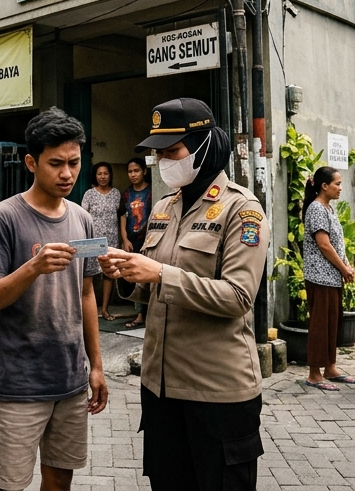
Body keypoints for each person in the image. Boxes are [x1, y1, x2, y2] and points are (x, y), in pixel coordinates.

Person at [98, 98, 267, 490]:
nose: (163, 161)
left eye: (172, 151)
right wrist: (126, 273)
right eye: (159, 154)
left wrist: (159, 273)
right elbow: (148, 287)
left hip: (217, 392)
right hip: (160, 389)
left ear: (204, 146)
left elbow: (238, 297)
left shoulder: (241, 210)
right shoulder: (163, 207)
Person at [0, 108, 106, 491]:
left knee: (60, 479)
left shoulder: (82, 219)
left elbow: (86, 295)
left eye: (74, 163)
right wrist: (33, 267)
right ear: (32, 162)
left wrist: (96, 366)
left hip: (70, 379)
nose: (67, 174)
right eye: (56, 164)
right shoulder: (4, 218)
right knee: (8, 484)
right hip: (18, 383)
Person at [300, 166, 355, 392]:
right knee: (320, 325)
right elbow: (323, 244)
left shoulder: (328, 209)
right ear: (324, 186)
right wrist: (343, 268)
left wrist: (346, 266)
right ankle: (314, 374)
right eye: (337, 184)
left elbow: (336, 243)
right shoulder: (316, 209)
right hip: (320, 277)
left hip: (331, 277)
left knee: (333, 323)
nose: (340, 188)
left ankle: (330, 367)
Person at [81, 162, 123, 322]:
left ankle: (105, 309)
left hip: (111, 240)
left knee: (109, 274)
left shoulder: (116, 194)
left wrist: (123, 238)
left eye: (106, 173)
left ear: (110, 175)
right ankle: (87, 310)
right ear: (95, 176)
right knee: (90, 274)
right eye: (99, 174)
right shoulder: (89, 194)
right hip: (92, 240)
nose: (103, 177)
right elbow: (83, 217)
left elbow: (121, 217)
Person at [119, 158, 151, 329]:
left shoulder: (152, 192)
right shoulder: (126, 194)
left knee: (146, 277)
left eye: (136, 171)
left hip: (147, 241)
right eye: (130, 171)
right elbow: (122, 217)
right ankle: (139, 313)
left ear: (144, 171)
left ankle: (146, 314)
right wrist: (124, 239)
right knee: (132, 277)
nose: (133, 174)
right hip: (131, 242)